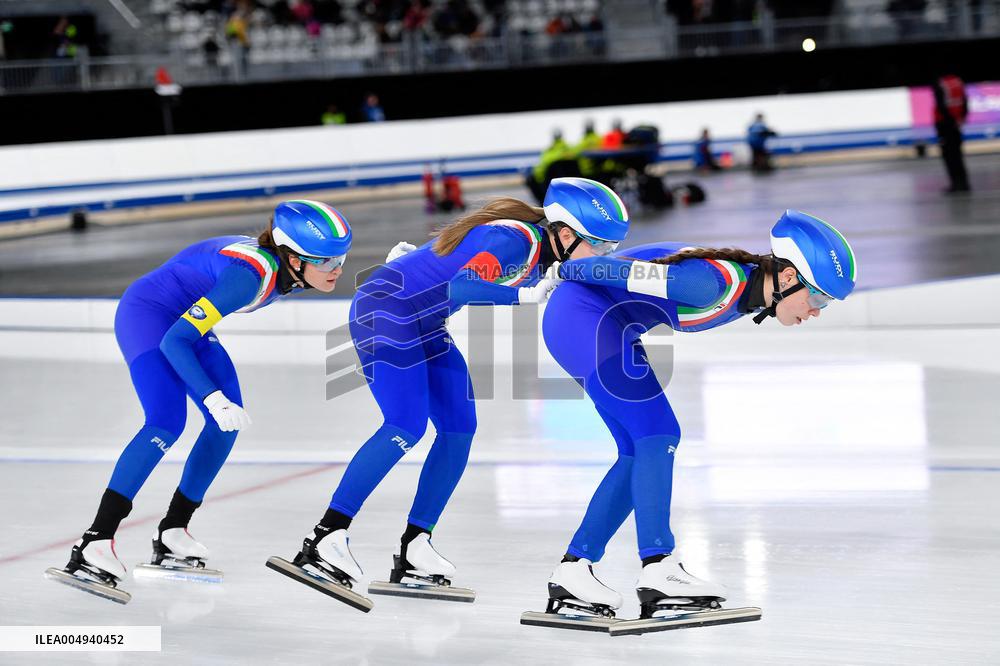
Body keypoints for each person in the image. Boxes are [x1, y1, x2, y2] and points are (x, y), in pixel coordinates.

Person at [268, 178, 631, 611]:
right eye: (601, 246)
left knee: (459, 428)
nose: (603, 255)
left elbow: (455, 259)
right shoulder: (516, 239)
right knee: (405, 425)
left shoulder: (538, 246)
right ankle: (325, 537)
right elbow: (463, 286)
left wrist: (417, 263)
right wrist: (524, 294)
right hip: (387, 311)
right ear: (567, 235)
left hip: (424, 321)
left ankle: (415, 545)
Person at [530, 210, 857, 632]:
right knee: (658, 433)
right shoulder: (710, 283)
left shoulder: (744, 290)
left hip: (602, 326)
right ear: (790, 278)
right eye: (819, 299)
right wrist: (560, 270)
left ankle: (575, 571)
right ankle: (658, 567)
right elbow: (603, 267)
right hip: (584, 320)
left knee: (637, 449)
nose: (817, 311)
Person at [45, 201, 354, 604]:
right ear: (293, 258)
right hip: (150, 316)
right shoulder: (249, 278)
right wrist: (210, 396)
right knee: (165, 422)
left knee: (226, 424)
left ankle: (174, 531)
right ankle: (95, 542)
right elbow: (174, 340)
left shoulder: (282, 270)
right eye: (327, 259)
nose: (338, 268)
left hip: (188, 321)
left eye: (342, 257)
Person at [933, 73, 971, 194]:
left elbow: (941, 105)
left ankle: (956, 183)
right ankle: (964, 183)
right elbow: (965, 101)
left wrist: (950, 121)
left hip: (945, 124)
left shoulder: (940, 83)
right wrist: (961, 119)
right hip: (956, 123)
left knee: (949, 156)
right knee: (958, 155)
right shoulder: (958, 81)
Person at [526, 129, 578, 203]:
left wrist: (538, 177)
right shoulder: (571, 148)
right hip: (572, 181)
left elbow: (541, 168)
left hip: (551, 182)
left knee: (531, 179)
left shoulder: (549, 151)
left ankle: (543, 203)